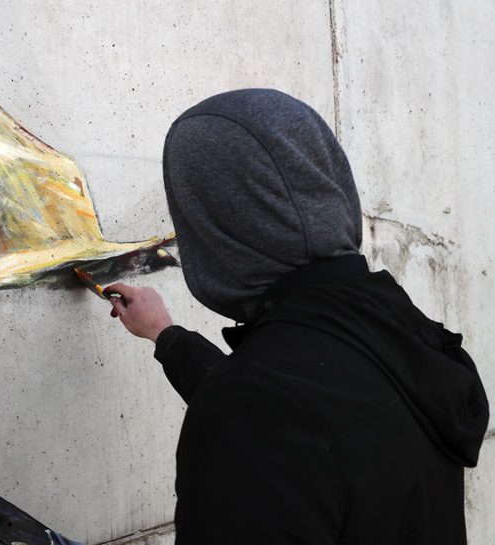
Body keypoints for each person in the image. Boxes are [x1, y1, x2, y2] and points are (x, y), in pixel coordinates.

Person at [104, 89, 489, 544]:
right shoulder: (397, 328)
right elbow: (313, 421)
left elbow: (274, 422)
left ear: (216, 224)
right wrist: (168, 337)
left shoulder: (255, 407)